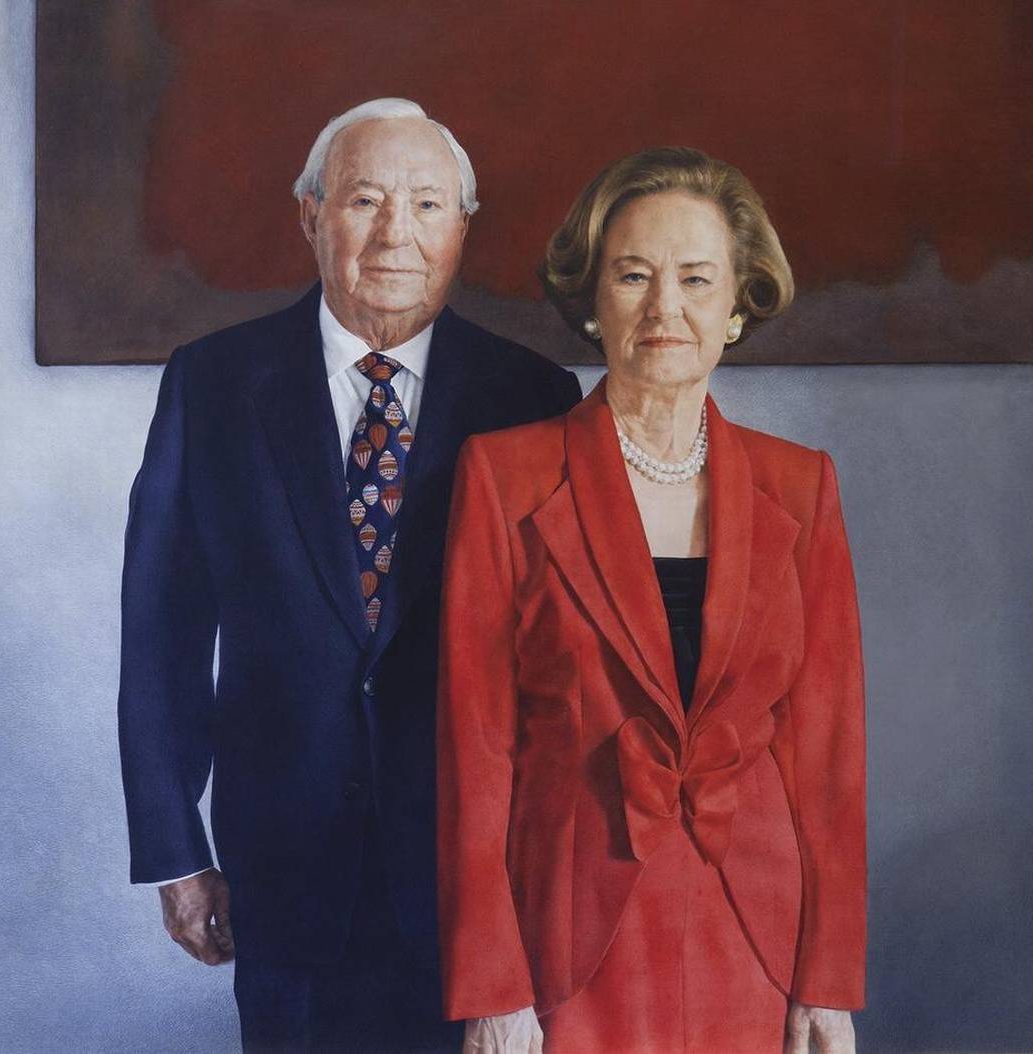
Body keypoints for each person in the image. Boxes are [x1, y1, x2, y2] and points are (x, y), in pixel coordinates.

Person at [117, 97, 581, 1052]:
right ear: (311, 215)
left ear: (462, 227)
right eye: (365, 200)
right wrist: (174, 851)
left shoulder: (533, 398)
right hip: (281, 872)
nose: (396, 233)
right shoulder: (212, 384)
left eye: (428, 204)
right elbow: (161, 633)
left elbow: (563, 657)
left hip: (478, 878)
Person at [437, 147, 866, 1053]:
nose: (665, 307)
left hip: (756, 937)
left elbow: (828, 757)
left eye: (696, 279)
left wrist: (828, 981)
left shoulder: (802, 486)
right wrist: (493, 985)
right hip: (568, 940)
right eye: (634, 275)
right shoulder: (505, 477)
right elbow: (476, 751)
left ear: (737, 306)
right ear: (593, 300)